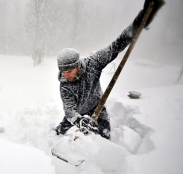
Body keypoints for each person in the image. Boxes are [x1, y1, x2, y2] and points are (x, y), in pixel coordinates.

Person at [54, 0, 165, 139]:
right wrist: (79, 120)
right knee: (59, 132)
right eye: (63, 71)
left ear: (78, 65)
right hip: (78, 113)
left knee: (104, 136)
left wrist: (141, 20)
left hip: (97, 107)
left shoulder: (93, 64)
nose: (66, 75)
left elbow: (117, 44)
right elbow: (69, 109)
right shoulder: (64, 83)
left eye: (69, 71)